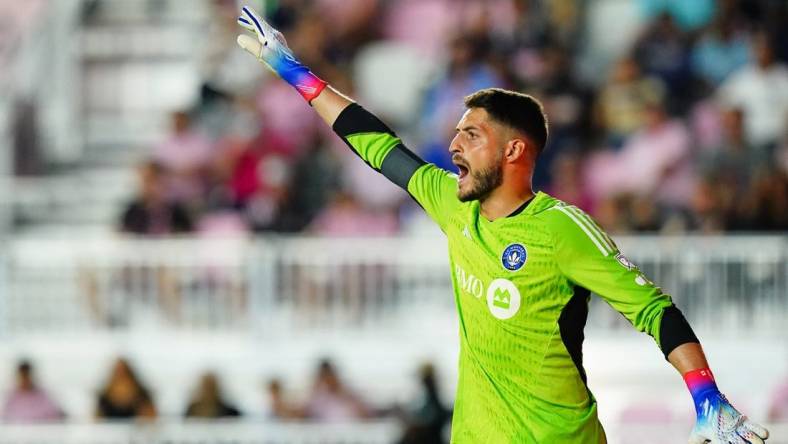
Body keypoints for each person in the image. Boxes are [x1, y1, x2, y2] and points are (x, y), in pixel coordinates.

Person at [235, 6, 769, 442]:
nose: (452, 145)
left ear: (513, 150)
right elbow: (377, 146)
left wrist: (707, 398)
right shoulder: (451, 201)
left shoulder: (562, 229)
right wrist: (292, 70)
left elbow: (654, 309)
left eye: (471, 135)